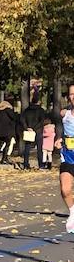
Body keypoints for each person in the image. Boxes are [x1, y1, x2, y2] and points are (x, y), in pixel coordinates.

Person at [60, 85, 74, 234]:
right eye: (71, 94)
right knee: (65, 190)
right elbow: (60, 130)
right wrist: (59, 139)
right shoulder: (64, 114)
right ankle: (73, 212)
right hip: (68, 157)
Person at [0, 95, 19, 164]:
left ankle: (1, 158)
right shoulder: (8, 111)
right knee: (7, 144)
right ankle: (4, 158)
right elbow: (14, 118)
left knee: (4, 144)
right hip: (7, 131)